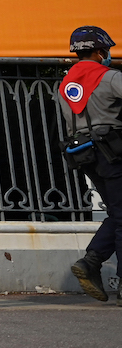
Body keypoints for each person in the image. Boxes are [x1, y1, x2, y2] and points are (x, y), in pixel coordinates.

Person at [57, 26, 122, 306]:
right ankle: (92, 263)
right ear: (100, 51)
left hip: (84, 154)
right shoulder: (109, 77)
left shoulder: (65, 84)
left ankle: (91, 262)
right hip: (113, 153)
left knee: (118, 214)